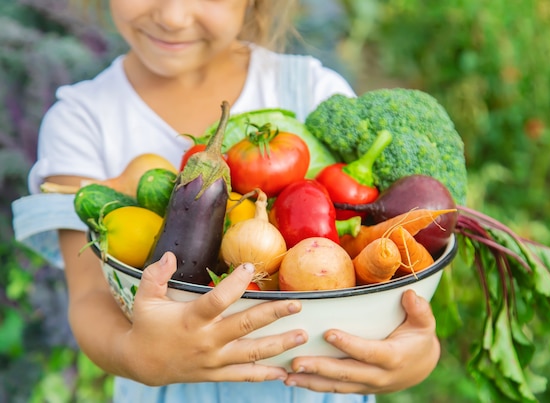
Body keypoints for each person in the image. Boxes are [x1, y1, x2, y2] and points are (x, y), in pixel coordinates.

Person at [12, 0, 441, 402]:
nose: (173, 16)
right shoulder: (82, 119)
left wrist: (417, 356)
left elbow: (386, 287)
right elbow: (89, 301)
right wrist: (138, 357)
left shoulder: (312, 90)